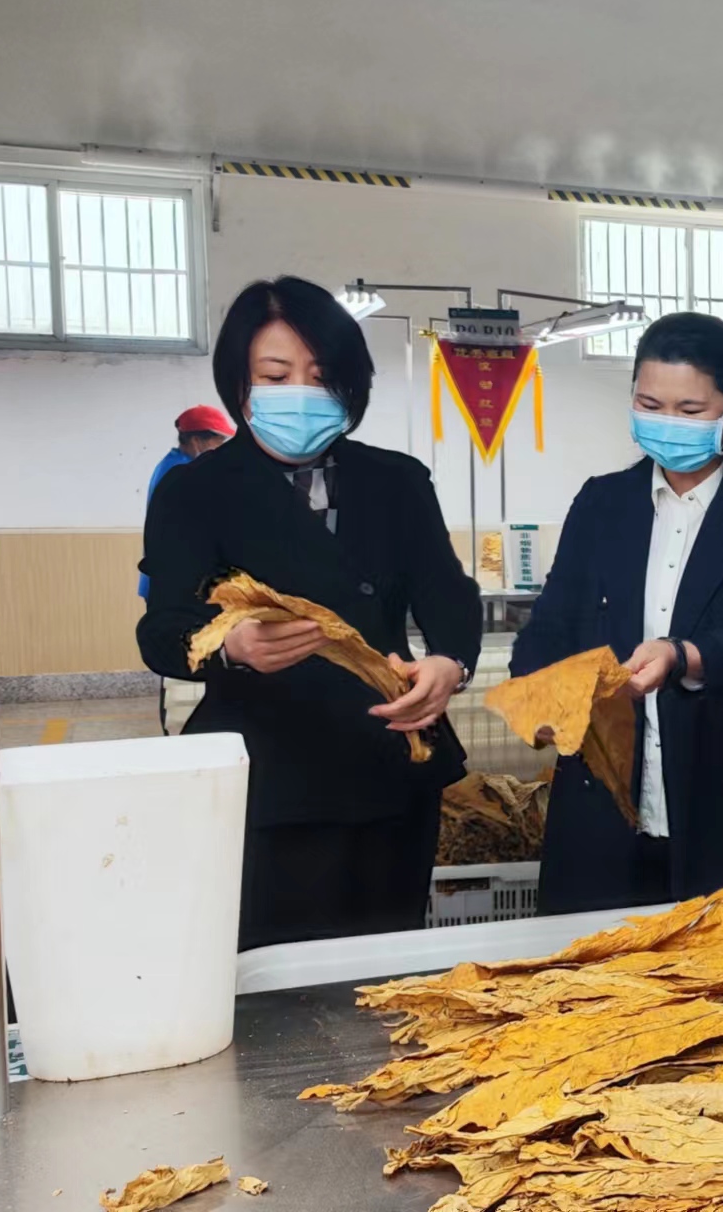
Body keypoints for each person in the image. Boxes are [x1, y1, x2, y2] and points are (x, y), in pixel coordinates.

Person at [136, 276, 480, 950]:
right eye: (276, 373)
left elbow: (446, 590)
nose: (300, 390)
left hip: (391, 763)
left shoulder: (397, 480)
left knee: (389, 966)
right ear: (241, 384)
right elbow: (161, 630)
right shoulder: (196, 491)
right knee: (279, 984)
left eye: (321, 375)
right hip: (272, 779)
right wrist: (232, 643)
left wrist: (450, 662)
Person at [512, 313, 723, 912]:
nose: (667, 423)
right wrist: (537, 692)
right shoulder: (604, 502)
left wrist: (683, 656)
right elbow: (551, 620)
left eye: (689, 410)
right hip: (602, 800)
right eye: (650, 404)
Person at [136, 405, 234, 598]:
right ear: (197, 441)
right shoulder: (183, 472)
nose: (222, 450)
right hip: (176, 581)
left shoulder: (172, 463)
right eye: (218, 443)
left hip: (169, 578)